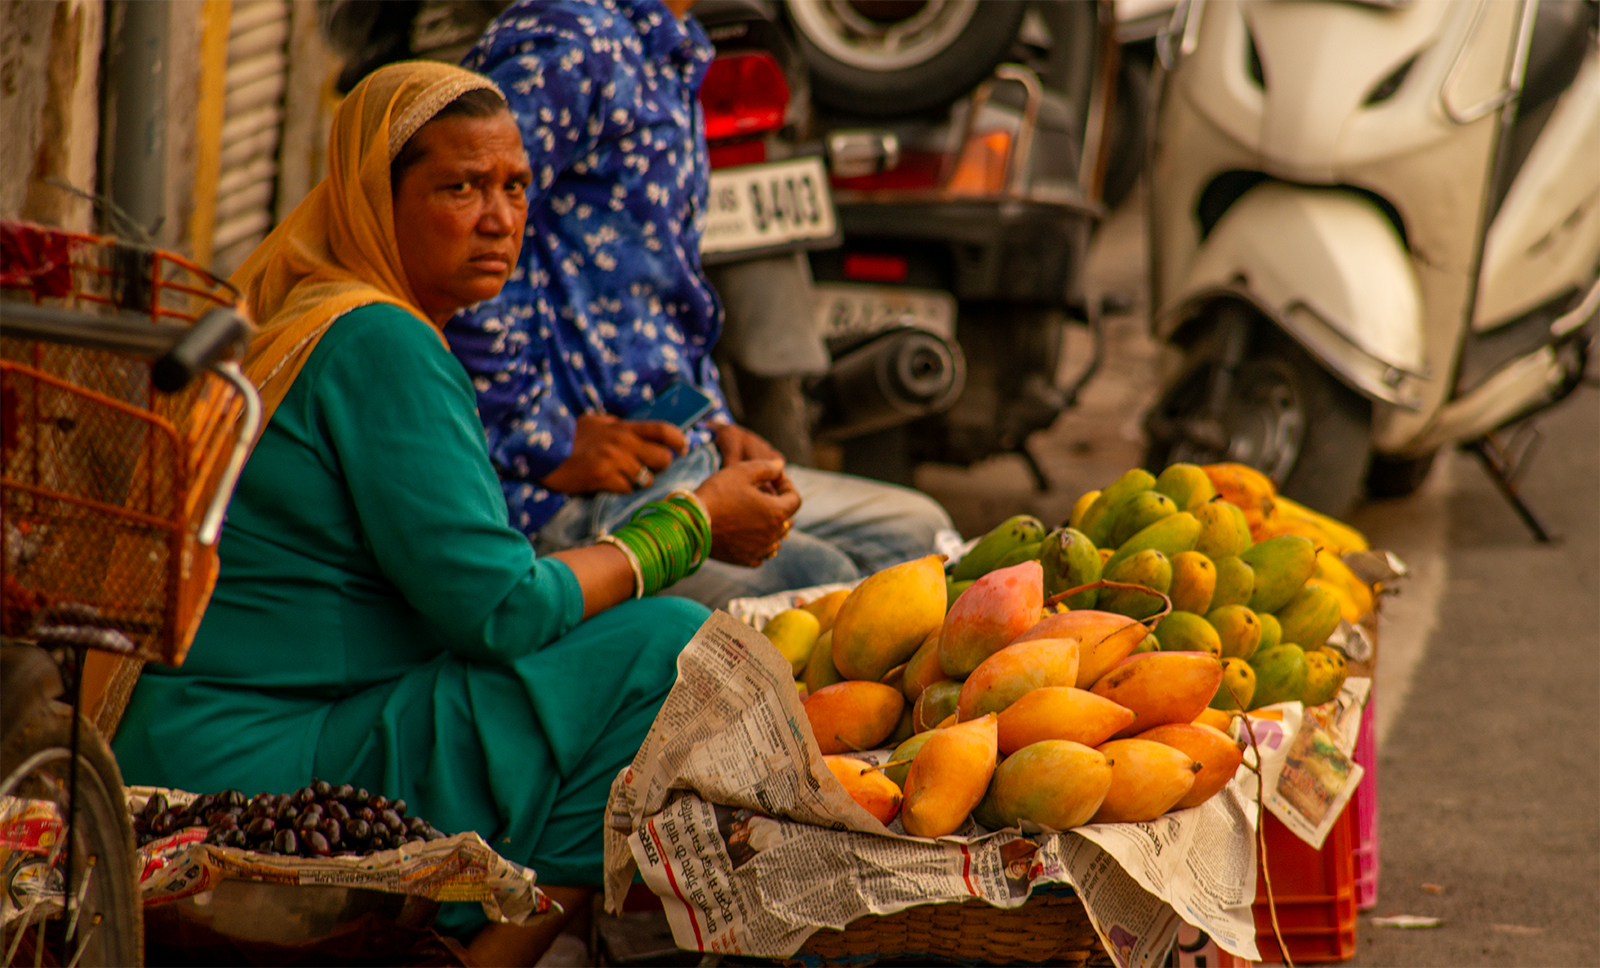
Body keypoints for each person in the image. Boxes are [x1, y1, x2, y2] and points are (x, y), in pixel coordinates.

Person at [109, 61, 795, 966]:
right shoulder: (378, 339)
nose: (500, 218)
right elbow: (501, 611)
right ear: (375, 200)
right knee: (669, 650)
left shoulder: (333, 312)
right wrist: (689, 526)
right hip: (249, 770)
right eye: (460, 188)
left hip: (211, 737)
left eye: (515, 186)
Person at [446, 0, 954, 608]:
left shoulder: (671, 49)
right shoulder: (567, 48)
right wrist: (545, 440)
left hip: (679, 452)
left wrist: (712, 419)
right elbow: (457, 245)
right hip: (578, 496)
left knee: (921, 535)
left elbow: (665, 290)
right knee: (822, 583)